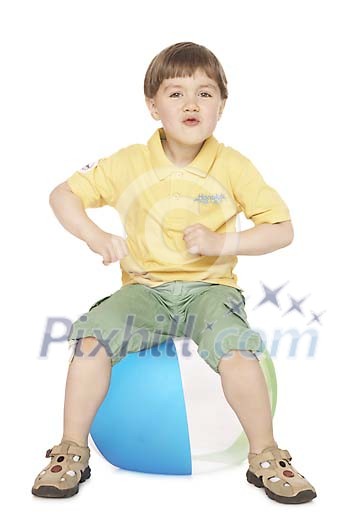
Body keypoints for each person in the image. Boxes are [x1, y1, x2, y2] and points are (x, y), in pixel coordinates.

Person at [32, 41, 317, 504]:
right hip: (144, 292)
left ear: (221, 106)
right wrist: (95, 236)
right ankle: (71, 450)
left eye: (205, 93)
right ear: (152, 105)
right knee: (90, 341)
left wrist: (225, 242)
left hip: (210, 292)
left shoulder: (233, 165)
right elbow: (62, 195)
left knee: (237, 350)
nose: (191, 103)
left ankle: (266, 455)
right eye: (176, 92)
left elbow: (281, 229)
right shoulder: (129, 162)